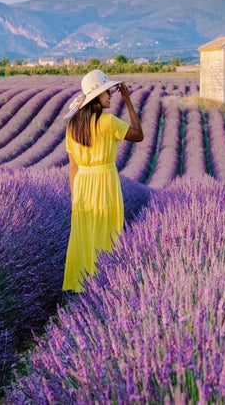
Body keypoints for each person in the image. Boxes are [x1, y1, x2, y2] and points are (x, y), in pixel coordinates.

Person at [62, 69, 144, 293]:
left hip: (82, 188)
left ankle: (83, 288)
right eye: (106, 92)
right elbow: (138, 134)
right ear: (95, 97)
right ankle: (107, 288)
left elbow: (74, 167)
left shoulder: (72, 127)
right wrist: (128, 102)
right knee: (108, 235)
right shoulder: (108, 122)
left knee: (85, 237)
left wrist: (74, 199)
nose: (110, 95)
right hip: (104, 184)